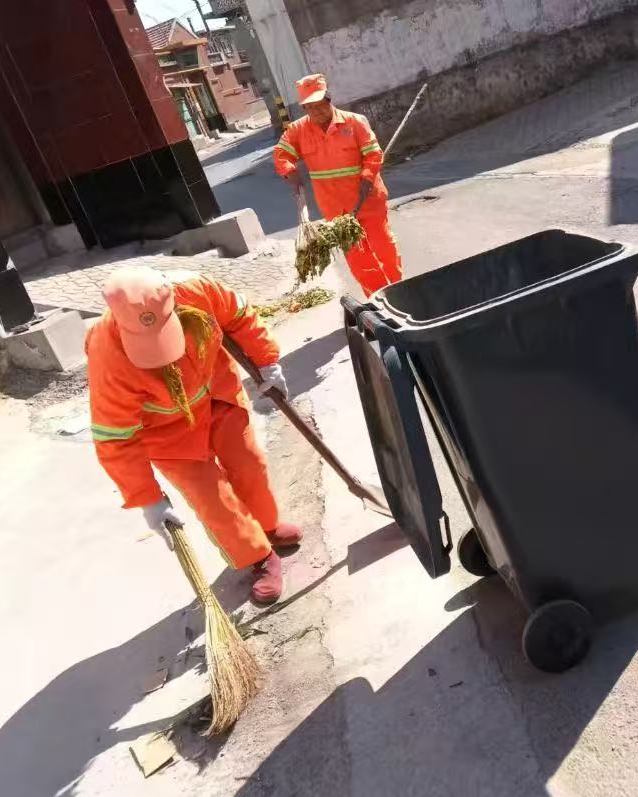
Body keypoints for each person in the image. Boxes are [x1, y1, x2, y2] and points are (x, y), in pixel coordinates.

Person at [86, 266, 302, 605]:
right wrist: (148, 499)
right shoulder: (107, 353)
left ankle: (267, 527)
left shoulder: (197, 290)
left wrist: (266, 360)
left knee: (250, 467)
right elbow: (115, 436)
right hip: (167, 435)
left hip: (218, 394)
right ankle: (259, 557)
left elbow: (240, 316)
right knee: (214, 501)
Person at [274, 73, 403, 298]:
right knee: (358, 260)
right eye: (310, 107)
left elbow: (373, 154)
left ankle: (400, 290)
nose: (316, 111)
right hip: (336, 210)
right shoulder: (298, 130)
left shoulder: (354, 122)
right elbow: (281, 154)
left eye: (319, 104)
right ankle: (379, 299)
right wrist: (289, 171)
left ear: (329, 99)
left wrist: (367, 177)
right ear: (304, 108)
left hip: (368, 200)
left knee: (384, 247)